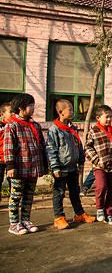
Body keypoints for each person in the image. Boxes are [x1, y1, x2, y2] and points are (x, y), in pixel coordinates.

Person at [46, 99, 95, 229]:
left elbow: (78, 145)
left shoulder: (72, 128)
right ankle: (59, 217)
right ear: (61, 112)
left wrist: (81, 161)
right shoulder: (54, 130)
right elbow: (51, 149)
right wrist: (55, 167)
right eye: (70, 110)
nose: (73, 112)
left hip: (73, 167)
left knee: (75, 191)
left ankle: (79, 213)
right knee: (59, 193)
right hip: (61, 168)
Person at [3, 94, 47, 234]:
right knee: (15, 196)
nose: (33, 108)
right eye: (31, 106)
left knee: (29, 195)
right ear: (21, 107)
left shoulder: (35, 125)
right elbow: (8, 147)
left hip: (33, 168)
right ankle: (14, 223)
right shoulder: (12, 125)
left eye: (34, 105)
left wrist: (44, 164)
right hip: (19, 169)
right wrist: (10, 165)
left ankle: (26, 220)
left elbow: (42, 146)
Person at [84, 105, 112, 225]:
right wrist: (97, 160)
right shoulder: (93, 131)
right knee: (101, 187)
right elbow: (87, 148)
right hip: (100, 166)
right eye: (106, 117)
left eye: (110, 117)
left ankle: (109, 213)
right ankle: (100, 209)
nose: (108, 120)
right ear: (98, 117)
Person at [80, 114, 112, 196]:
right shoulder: (97, 131)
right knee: (94, 175)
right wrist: (96, 160)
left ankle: (111, 190)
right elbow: (88, 147)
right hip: (101, 161)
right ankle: (85, 187)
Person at [0, 102, 13, 200]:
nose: (12, 114)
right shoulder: (1, 126)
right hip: (0, 158)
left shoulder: (14, 125)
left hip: (11, 158)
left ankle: (13, 200)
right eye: (10, 112)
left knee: (12, 181)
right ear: (2, 114)